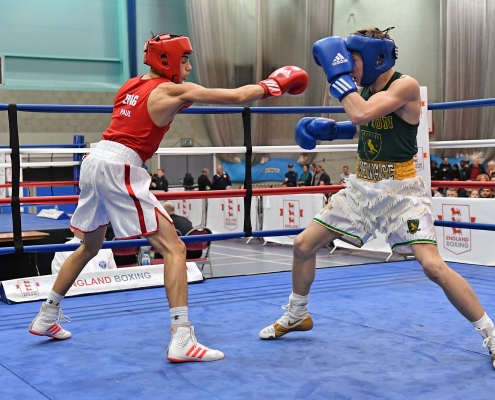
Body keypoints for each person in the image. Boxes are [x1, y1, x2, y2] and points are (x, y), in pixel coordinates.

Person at [28, 33, 309, 363]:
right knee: (174, 247)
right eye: (186, 59)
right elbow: (236, 96)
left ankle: (47, 315)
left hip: (93, 161)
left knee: (89, 246)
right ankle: (181, 337)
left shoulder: (130, 86)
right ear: (169, 61)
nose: (189, 66)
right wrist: (274, 84)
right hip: (120, 165)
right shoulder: (170, 89)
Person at [260, 27, 495, 370]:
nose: (349, 67)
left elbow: (361, 114)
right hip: (363, 187)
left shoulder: (405, 85)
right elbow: (361, 126)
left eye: (351, 60)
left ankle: (490, 332)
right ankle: (297, 314)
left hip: (401, 193)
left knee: (433, 266)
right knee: (302, 245)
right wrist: (331, 131)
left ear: (374, 58)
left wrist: (337, 77)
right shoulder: (367, 89)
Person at [51, 231, 117, 275]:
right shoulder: (63, 250)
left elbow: (115, 275)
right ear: (72, 227)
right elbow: (57, 280)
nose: (86, 227)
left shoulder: (105, 248)